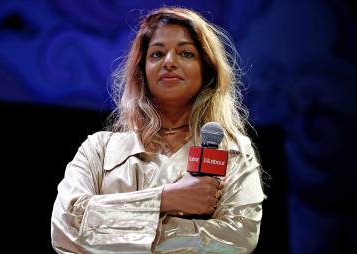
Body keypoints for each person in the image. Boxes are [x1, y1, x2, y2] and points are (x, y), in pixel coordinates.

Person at [51, 7, 265, 254]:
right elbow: (66, 226)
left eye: (186, 53)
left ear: (207, 69)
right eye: (157, 53)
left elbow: (238, 239)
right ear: (142, 70)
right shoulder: (98, 149)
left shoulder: (234, 150)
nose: (170, 62)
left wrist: (110, 231)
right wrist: (166, 199)